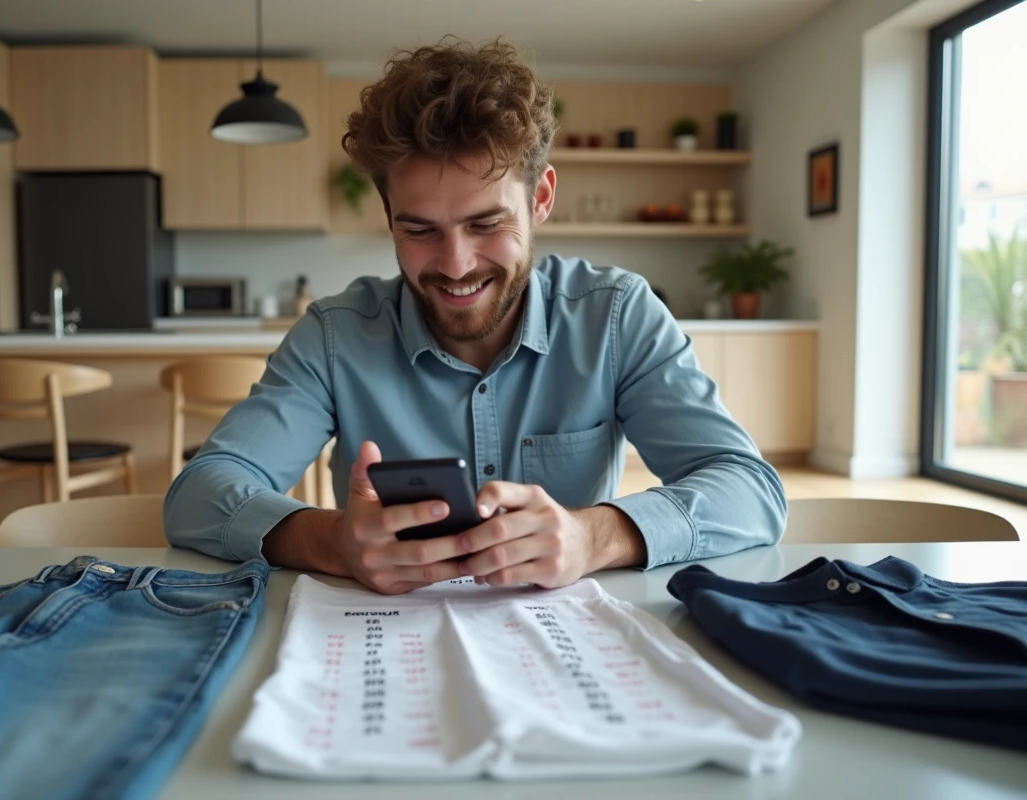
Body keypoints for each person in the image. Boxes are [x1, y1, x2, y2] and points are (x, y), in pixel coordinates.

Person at [164, 38, 787, 595]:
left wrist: (593, 537)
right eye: (420, 230)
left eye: (486, 224)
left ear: (540, 198)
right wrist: (331, 541)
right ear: (388, 219)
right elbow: (199, 491)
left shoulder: (618, 316)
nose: (456, 265)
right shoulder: (335, 335)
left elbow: (749, 490)